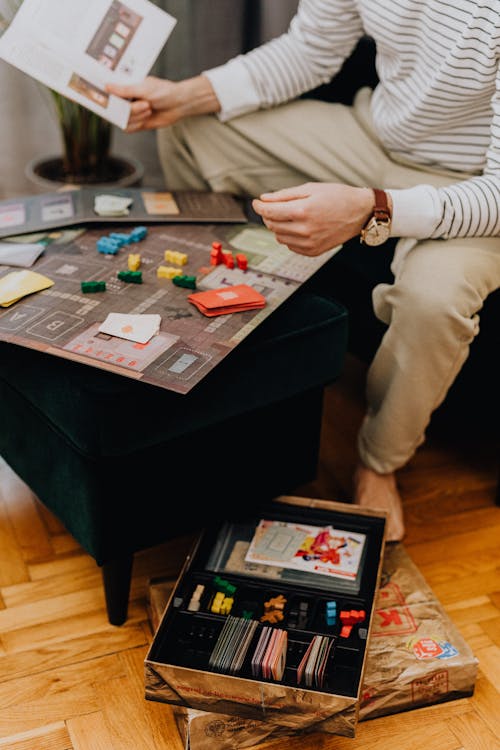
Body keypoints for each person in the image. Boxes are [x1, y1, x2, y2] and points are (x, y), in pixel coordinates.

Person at [107, 1, 500, 542]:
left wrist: (371, 207)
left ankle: (379, 461)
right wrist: (185, 95)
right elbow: (311, 49)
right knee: (188, 127)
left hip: (474, 184)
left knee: (435, 302)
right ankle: (227, 315)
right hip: (372, 136)